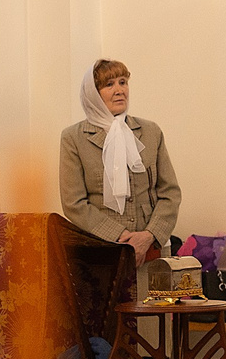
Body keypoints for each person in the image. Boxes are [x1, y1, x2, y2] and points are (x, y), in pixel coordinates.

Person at [59, 58, 182, 259]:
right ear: (93, 94)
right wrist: (122, 238)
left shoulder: (151, 132)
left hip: (152, 249)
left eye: (123, 82)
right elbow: (74, 203)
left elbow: (170, 193)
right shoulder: (74, 138)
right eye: (109, 84)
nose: (119, 90)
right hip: (101, 251)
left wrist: (148, 236)